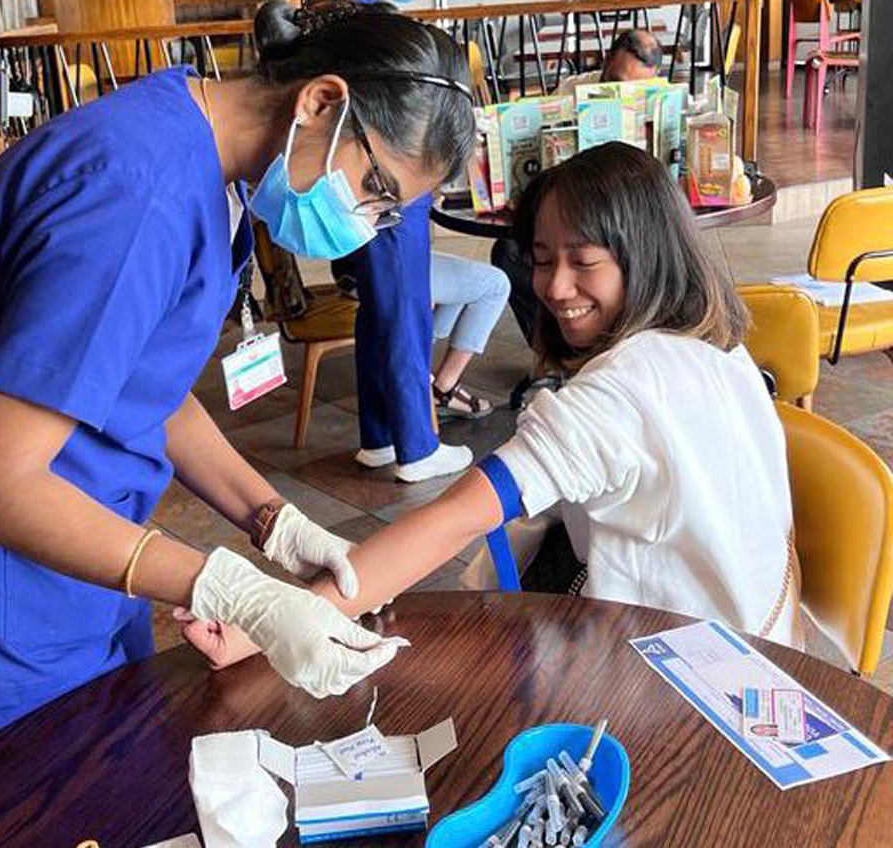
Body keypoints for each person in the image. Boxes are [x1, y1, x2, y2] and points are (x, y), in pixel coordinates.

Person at [0, 0, 475, 786]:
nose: (367, 226)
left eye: (386, 213)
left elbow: (137, 381)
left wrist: (273, 520)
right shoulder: (135, 196)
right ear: (320, 101)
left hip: (81, 571)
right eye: (374, 188)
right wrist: (226, 586)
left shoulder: (200, 156)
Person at [305, 143, 799, 647]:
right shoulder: (719, 347)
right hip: (764, 640)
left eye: (584, 261)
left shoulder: (620, 392)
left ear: (646, 255)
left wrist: (289, 615)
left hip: (682, 671)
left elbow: (452, 519)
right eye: (542, 261)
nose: (557, 287)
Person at [493, 29, 664, 351]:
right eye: (616, 81)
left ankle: (617, 344)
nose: (622, 94)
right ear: (608, 61)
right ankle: (550, 353)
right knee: (509, 251)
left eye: (636, 87)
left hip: (628, 211)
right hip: (576, 206)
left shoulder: (658, 100)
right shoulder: (572, 90)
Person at [333, 194, 511, 482]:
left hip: (363, 227)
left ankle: (380, 438)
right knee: (405, 325)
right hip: (395, 203)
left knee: (376, 322)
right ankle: (419, 451)